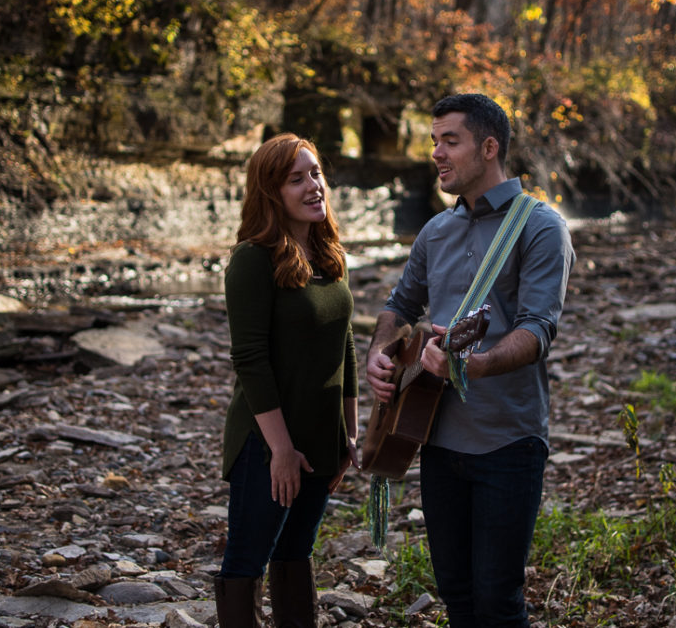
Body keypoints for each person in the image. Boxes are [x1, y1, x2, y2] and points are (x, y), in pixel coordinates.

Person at [366, 94, 575, 627]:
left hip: (509, 441)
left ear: (489, 147)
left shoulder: (541, 227)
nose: (436, 152)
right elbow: (399, 306)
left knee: (498, 601)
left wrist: (476, 365)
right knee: (457, 597)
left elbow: (538, 329)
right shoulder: (436, 230)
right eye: (434, 141)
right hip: (435, 438)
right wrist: (378, 356)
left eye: (449, 141)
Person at [216, 133, 359, 627]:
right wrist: (281, 450)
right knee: (247, 561)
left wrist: (349, 434)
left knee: (296, 555)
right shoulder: (252, 260)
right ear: (270, 193)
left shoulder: (327, 256)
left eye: (315, 173)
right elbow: (249, 359)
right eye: (296, 179)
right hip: (266, 444)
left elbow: (345, 345)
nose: (313, 185)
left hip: (322, 440)